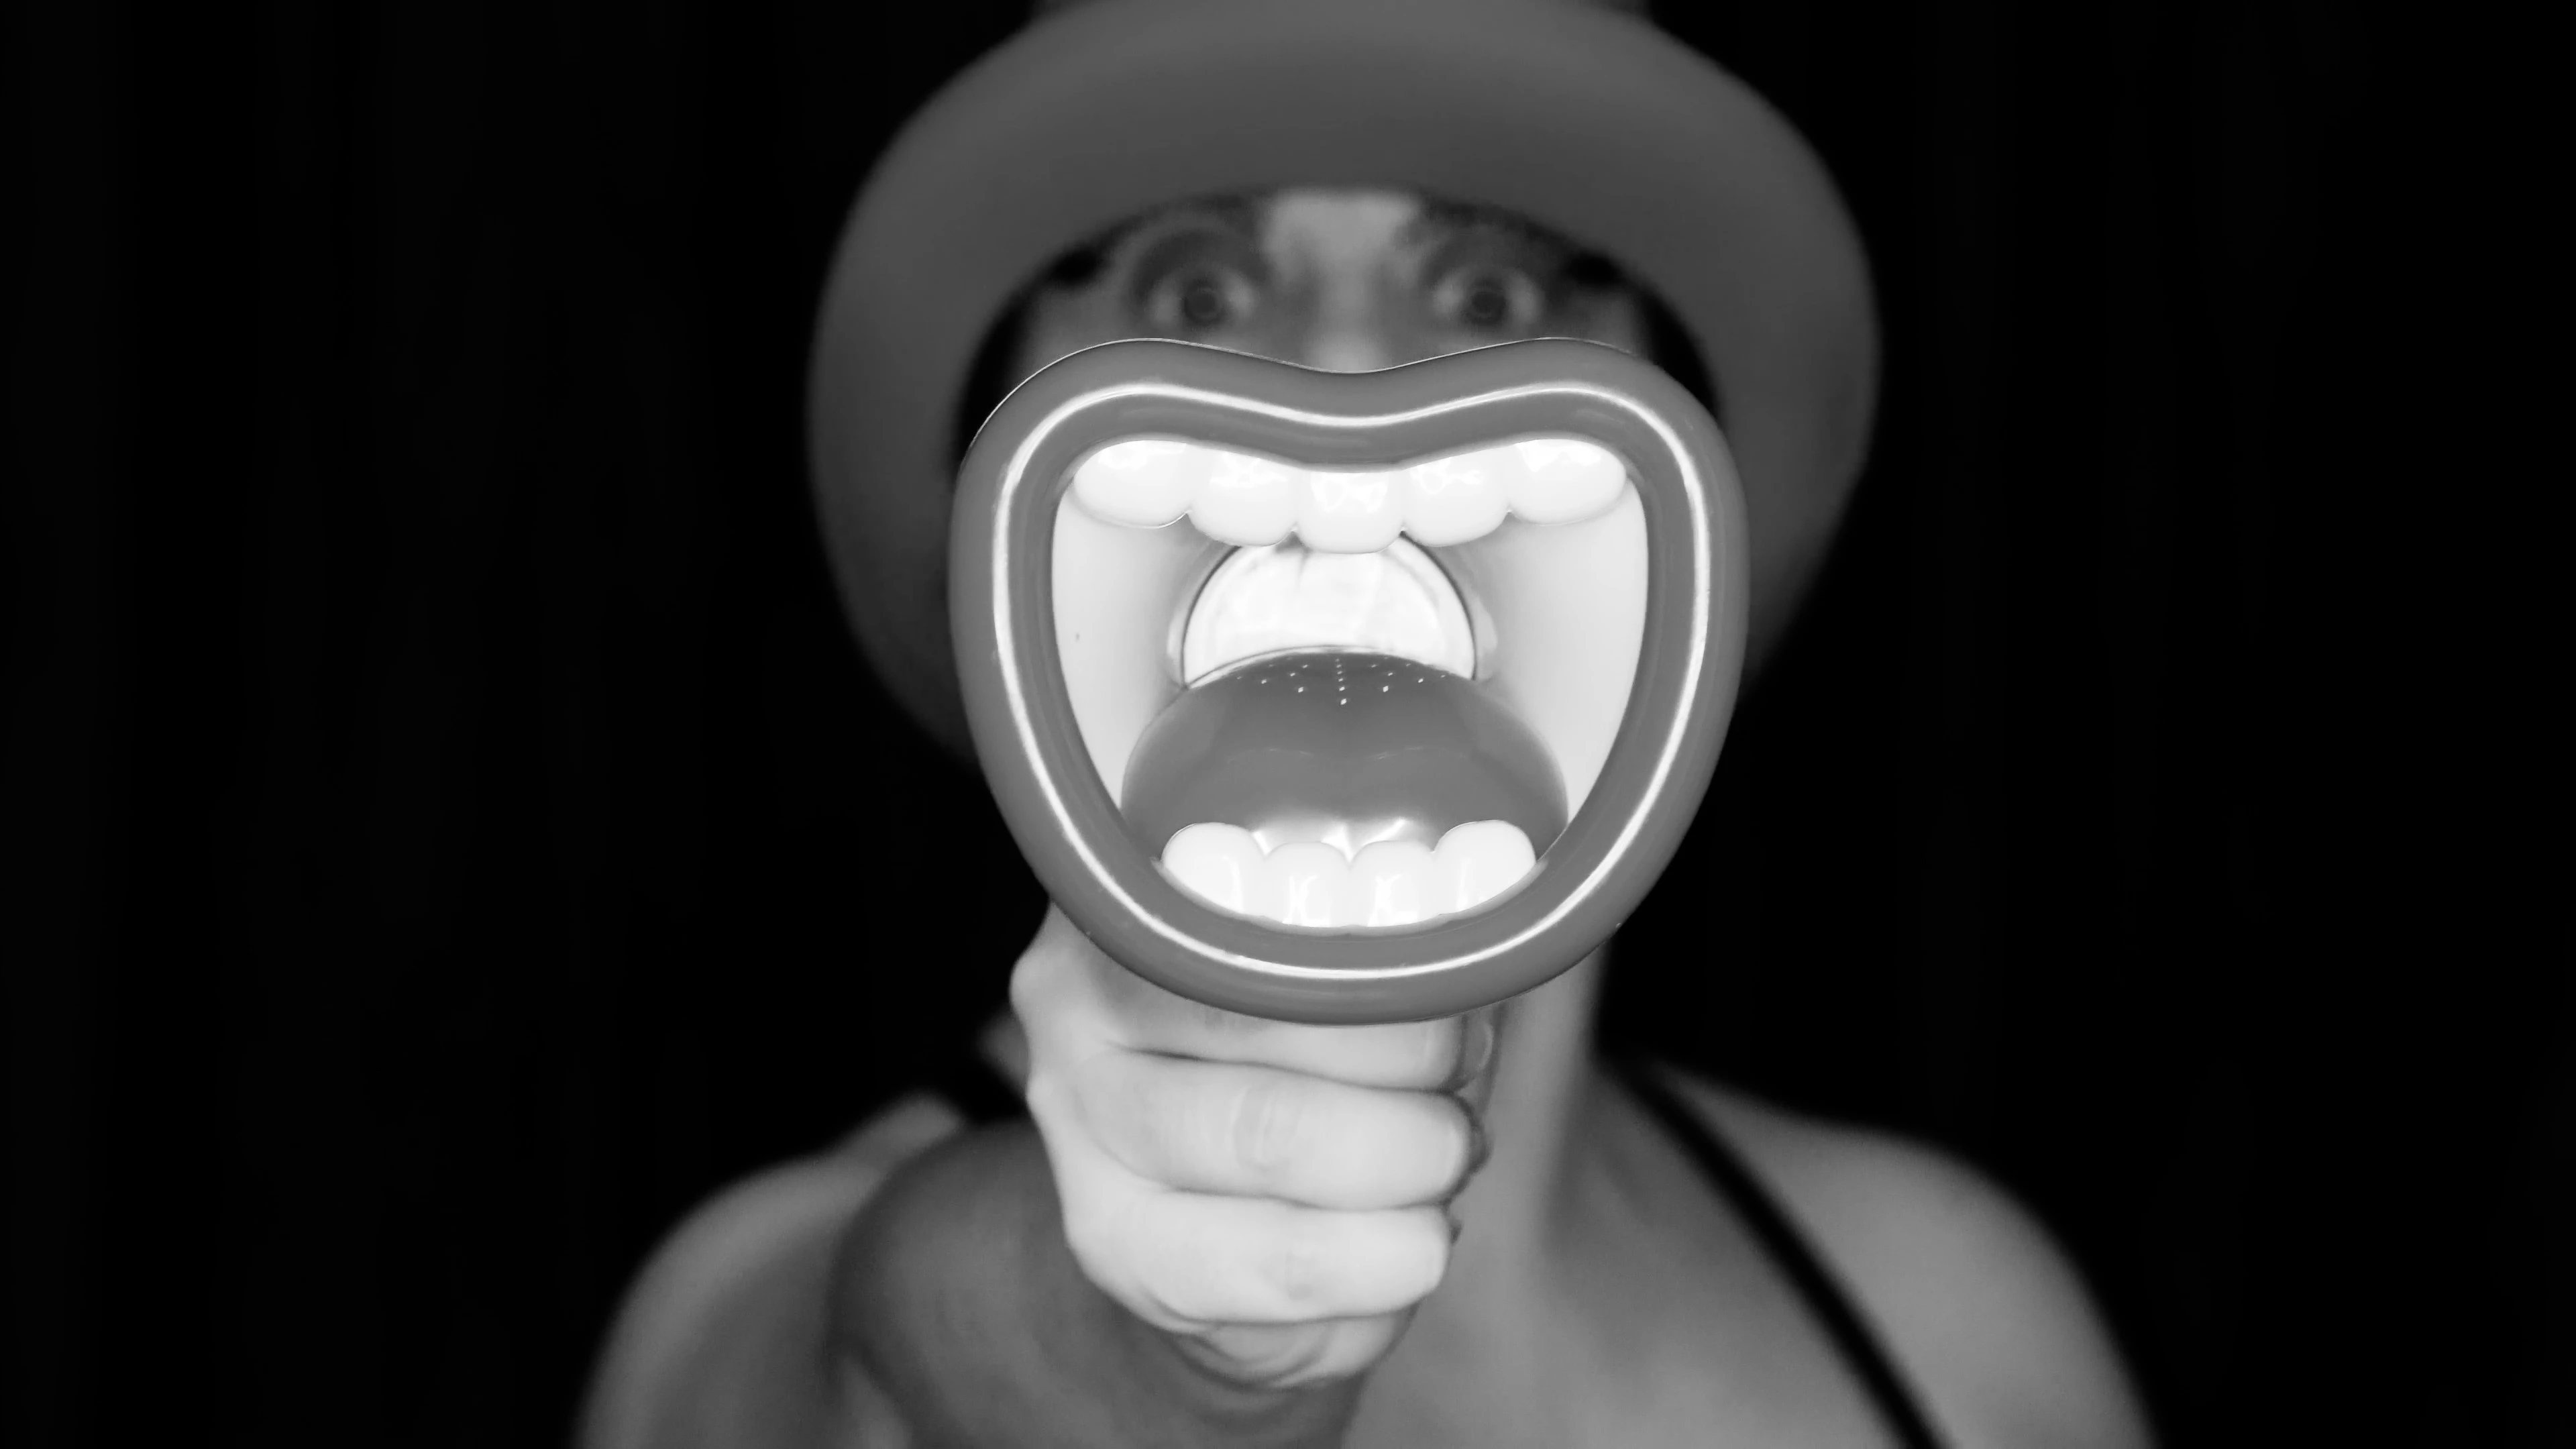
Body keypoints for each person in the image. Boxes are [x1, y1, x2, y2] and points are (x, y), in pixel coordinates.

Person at [581, 3, 2155, 1446]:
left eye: (1491, 290)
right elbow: (900, 1344)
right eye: (1194, 286)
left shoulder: (1953, 1316)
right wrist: (1186, 1354)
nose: (1345, 369)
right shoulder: (743, 1311)